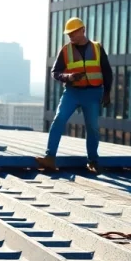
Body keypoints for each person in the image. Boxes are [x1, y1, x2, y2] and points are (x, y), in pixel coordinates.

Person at [36, 16, 112, 173]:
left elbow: (106, 70)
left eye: (73, 33)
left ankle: (93, 161)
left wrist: (107, 92)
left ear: (83, 30)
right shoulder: (65, 50)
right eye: (68, 34)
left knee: (92, 127)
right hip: (72, 92)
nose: (70, 36)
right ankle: (50, 158)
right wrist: (68, 77)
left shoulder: (97, 48)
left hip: (93, 93)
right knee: (59, 119)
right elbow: (55, 72)